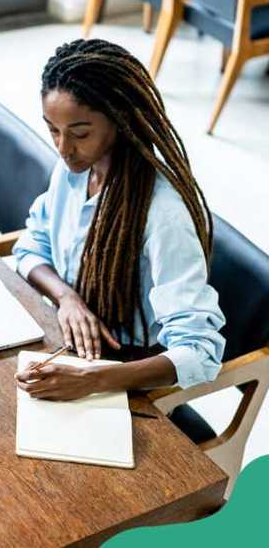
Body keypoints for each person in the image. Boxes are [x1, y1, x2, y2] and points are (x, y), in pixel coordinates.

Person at [13, 38, 224, 401]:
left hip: (132, 379)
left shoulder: (163, 214)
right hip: (74, 350)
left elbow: (200, 353)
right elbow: (32, 245)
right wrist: (68, 299)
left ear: (120, 121)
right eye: (53, 130)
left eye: (80, 133)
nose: (63, 149)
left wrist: (95, 380)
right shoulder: (72, 170)